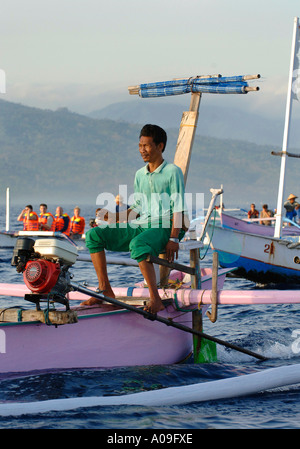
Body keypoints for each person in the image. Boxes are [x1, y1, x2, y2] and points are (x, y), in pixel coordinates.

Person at [81, 124, 188, 314]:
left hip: (165, 226)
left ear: (160, 146)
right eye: (140, 146)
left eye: (146, 146)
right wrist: (112, 217)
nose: (142, 150)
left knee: (138, 244)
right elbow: (137, 209)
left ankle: (155, 300)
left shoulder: (173, 171)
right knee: (94, 235)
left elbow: (178, 208)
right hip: (142, 225)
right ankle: (106, 290)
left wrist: (173, 238)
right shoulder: (139, 174)